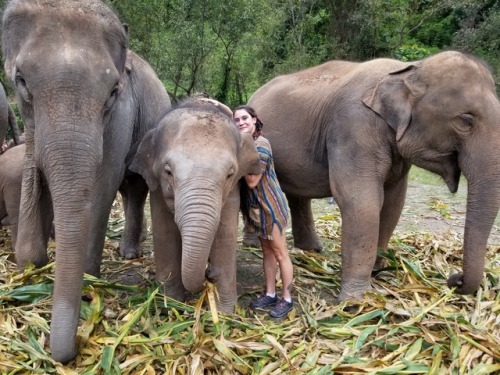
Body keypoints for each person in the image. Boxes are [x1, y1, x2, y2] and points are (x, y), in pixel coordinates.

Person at [233, 104, 294, 318]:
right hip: (257, 209)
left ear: (254, 119)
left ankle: (287, 298)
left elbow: (252, 180)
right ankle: (270, 293)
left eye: (244, 118)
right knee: (267, 252)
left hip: (271, 209)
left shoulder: (261, 144)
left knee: (280, 253)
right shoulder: (247, 143)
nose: (241, 122)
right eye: (237, 120)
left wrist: (235, 159)